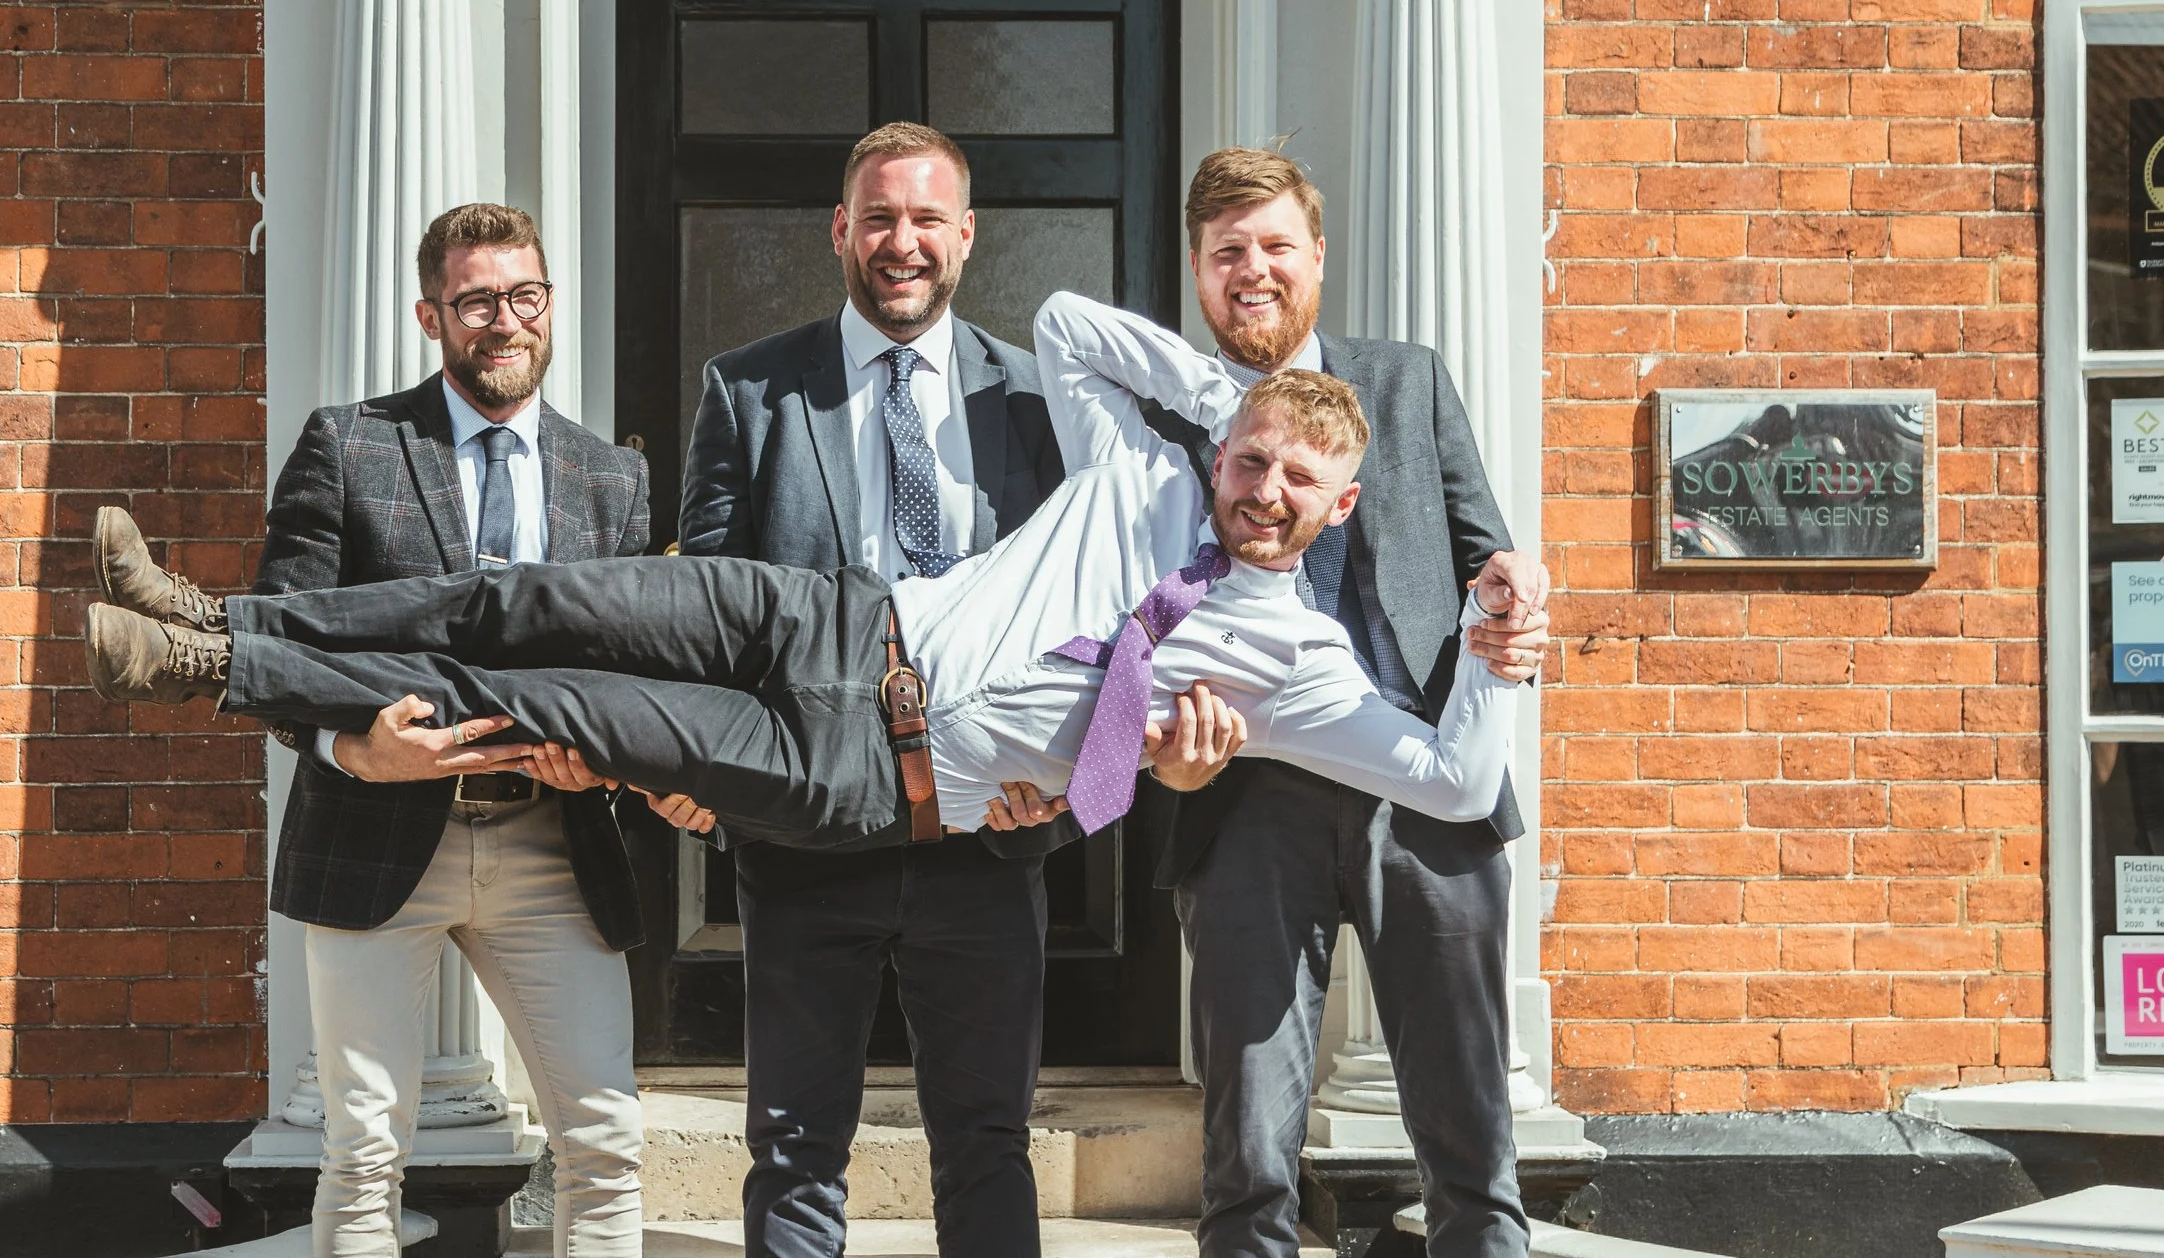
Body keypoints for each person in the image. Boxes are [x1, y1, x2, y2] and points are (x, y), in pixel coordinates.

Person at [85, 291, 1544, 937]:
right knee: (524, 595)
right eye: (1255, 458)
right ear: (1220, 443)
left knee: (550, 699)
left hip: (869, 772)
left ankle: (210, 670)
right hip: (837, 621)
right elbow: (1068, 324)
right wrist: (1237, 393)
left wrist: (1490, 657)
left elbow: (1458, 777)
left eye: (1302, 478)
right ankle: (210, 616)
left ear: (1341, 505)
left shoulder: (1297, 663)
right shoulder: (1141, 470)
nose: (1268, 488)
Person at [114, 201, 686, 1258]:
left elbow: (637, 666)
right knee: (363, 1145)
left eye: (524, 295)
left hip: (549, 846)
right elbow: (298, 641)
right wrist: (346, 743)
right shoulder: (351, 443)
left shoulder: (614, 477)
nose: (504, 321)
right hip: (380, 838)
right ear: (431, 315)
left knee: (603, 1138)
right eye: (475, 299)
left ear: (549, 304)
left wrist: (612, 756)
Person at [679, 121, 1076, 1258]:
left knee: (985, 1143)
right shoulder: (749, 390)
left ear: (966, 235)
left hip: (984, 835)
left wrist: (1075, 785)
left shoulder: (1036, 399)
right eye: (878, 217)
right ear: (839, 233)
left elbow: (1092, 611)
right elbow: (705, 612)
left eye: (927, 218)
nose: (902, 241)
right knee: (795, 1149)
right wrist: (704, 769)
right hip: (807, 833)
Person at [1147, 148, 1550, 1258]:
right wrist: (1154, 747)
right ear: (1199, 272)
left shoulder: (1404, 381)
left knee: (1468, 1136)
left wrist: (1521, 604)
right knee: (1249, 1148)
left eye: (1273, 245)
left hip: (1421, 799)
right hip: (1240, 805)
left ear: (1315, 259)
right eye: (1226, 250)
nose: (1251, 269)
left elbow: (1488, 546)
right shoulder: (1167, 413)